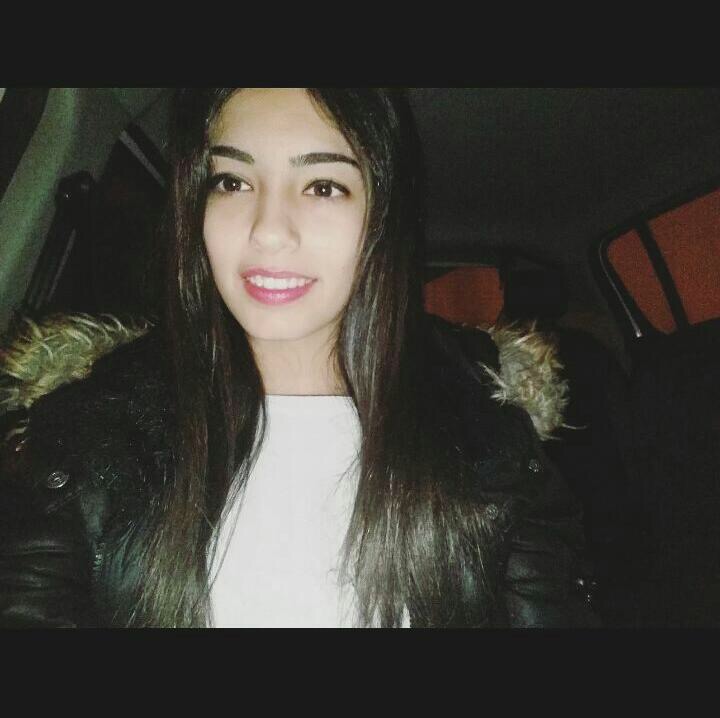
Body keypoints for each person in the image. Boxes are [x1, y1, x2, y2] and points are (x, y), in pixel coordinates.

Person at [0, 88, 598, 628]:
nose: (268, 230)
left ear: (382, 219)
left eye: (323, 186)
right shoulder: (90, 432)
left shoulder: (492, 444)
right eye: (232, 182)